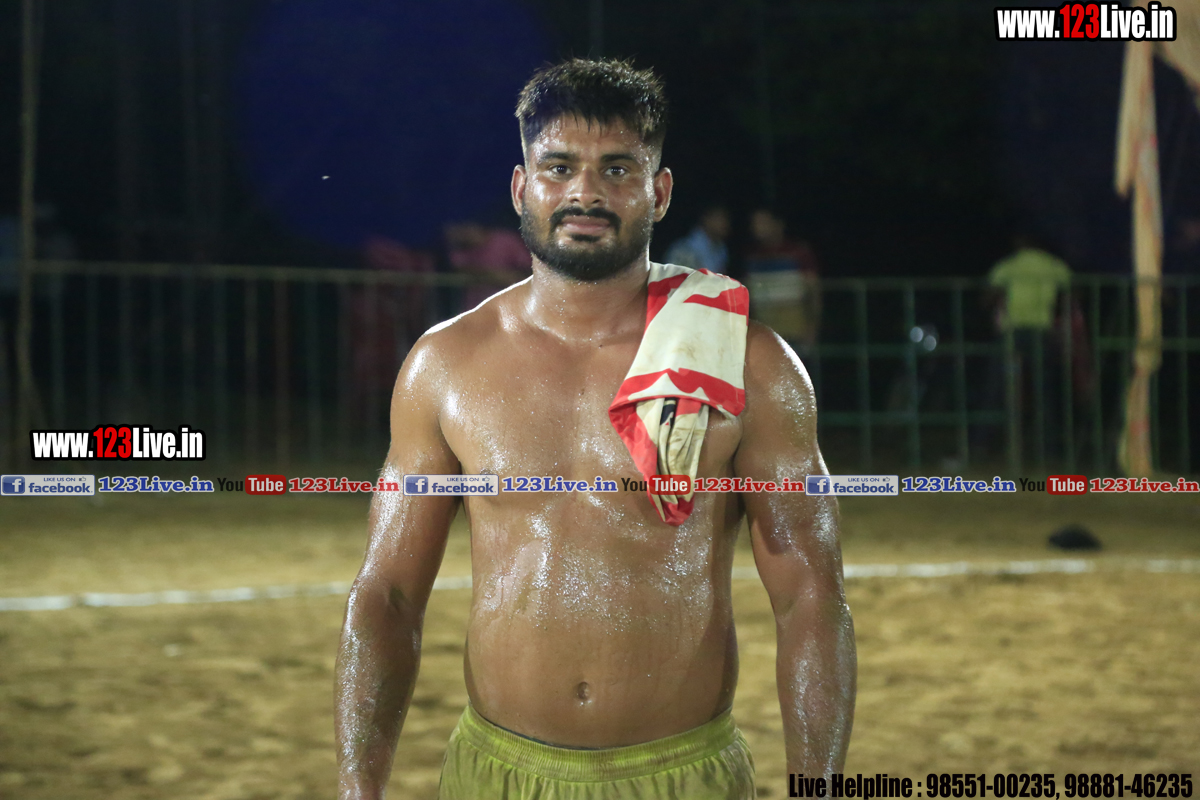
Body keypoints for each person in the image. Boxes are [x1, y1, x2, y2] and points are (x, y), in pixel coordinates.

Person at [335, 59, 855, 800]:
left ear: (659, 192)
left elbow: (810, 594)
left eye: (617, 168)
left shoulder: (747, 360)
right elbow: (386, 595)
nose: (585, 192)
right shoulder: (444, 365)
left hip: (681, 778)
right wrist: (358, 790)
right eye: (559, 167)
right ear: (522, 187)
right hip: (495, 776)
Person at [744, 208, 821, 352]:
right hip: (765, 335)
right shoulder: (753, 256)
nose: (757, 228)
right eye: (755, 223)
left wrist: (812, 328)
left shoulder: (798, 252)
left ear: (778, 224)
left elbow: (813, 291)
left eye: (763, 222)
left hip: (795, 332)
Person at [443, 220, 532, 314]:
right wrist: (492, 276)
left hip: (513, 305)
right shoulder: (463, 248)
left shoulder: (505, 240)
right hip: (477, 307)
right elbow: (459, 268)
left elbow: (528, 267)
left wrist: (511, 278)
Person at [664, 204, 731, 274]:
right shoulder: (684, 249)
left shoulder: (720, 250)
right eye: (720, 218)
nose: (725, 224)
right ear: (707, 219)